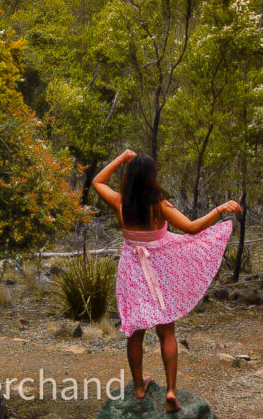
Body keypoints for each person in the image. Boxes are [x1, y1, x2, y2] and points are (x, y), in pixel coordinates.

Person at [92, 149, 242, 413]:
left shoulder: (120, 202)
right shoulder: (159, 205)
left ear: (129, 177)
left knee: (135, 333)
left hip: (132, 272)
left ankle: (139, 386)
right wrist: (219, 210)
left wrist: (121, 158)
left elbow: (97, 182)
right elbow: (192, 228)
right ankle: (171, 391)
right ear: (152, 178)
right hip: (159, 272)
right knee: (166, 332)